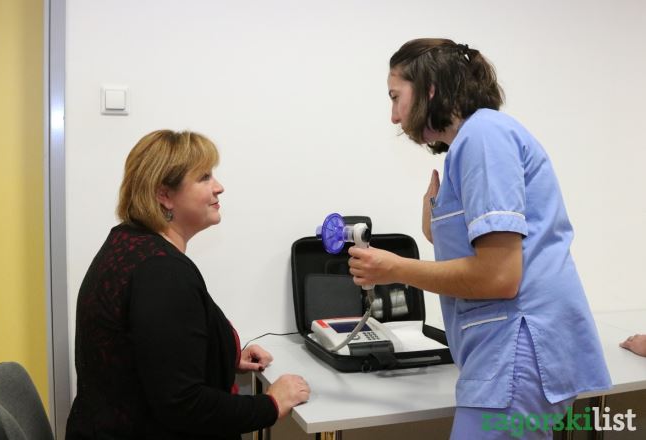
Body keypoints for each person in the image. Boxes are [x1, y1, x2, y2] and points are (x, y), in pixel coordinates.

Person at [347, 39, 612, 438]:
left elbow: (498, 277)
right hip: (504, 354)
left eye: (396, 97)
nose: (394, 116)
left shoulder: (484, 137)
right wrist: (435, 224)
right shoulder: (473, 143)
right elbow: (481, 251)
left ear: (430, 89)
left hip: (516, 352)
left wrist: (395, 269)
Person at [66, 130, 310, 440]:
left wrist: (220, 357)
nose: (219, 187)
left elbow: (153, 353)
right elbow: (184, 405)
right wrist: (271, 404)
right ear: (164, 195)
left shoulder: (127, 243)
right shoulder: (161, 273)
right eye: (204, 177)